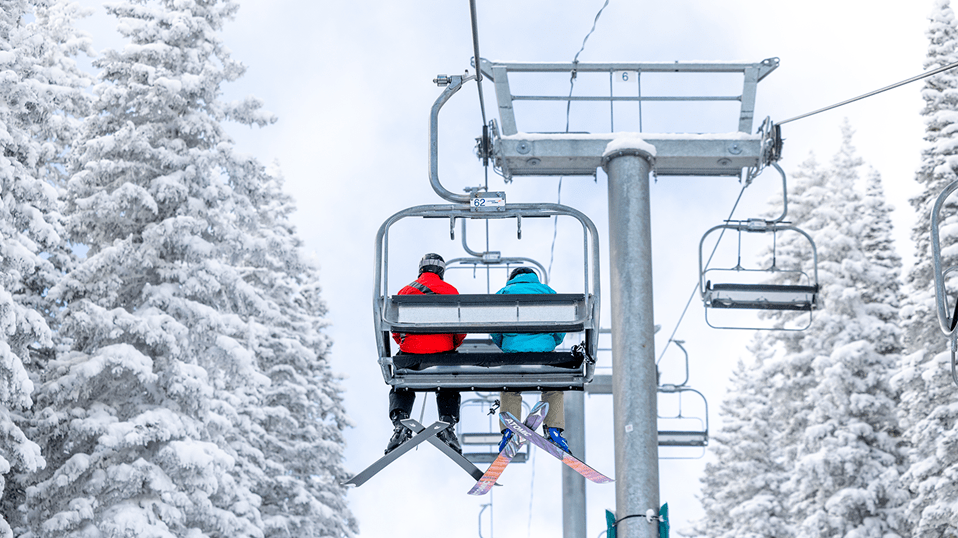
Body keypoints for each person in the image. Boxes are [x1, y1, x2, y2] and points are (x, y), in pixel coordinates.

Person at [385, 253, 466, 455]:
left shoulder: (405, 291)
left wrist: (407, 343)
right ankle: (447, 422)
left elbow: (395, 328)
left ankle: (400, 422)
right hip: (443, 355)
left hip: (412, 354)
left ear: (421, 270)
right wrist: (451, 344)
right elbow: (460, 328)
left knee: (401, 379)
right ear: (441, 272)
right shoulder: (451, 291)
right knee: (449, 378)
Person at [490, 267, 572, 455]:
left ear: (512, 279)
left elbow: (493, 328)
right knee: (553, 387)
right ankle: (554, 430)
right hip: (544, 352)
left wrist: (506, 344)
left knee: (510, 388)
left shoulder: (504, 293)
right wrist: (552, 341)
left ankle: (509, 431)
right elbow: (561, 327)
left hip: (514, 353)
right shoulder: (548, 292)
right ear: (534, 277)